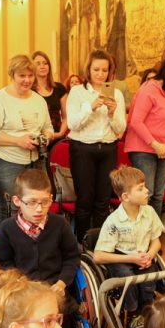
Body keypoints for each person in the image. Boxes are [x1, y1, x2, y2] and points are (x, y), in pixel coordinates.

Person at [0, 169, 81, 328]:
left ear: (51, 198)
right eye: (32, 202)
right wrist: (21, 284)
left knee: (62, 311)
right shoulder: (6, 229)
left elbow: (72, 257)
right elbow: (5, 263)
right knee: (23, 314)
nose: (39, 209)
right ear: (17, 201)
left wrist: (62, 283)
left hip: (55, 287)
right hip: (23, 288)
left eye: (45, 202)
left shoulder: (60, 224)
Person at [0, 55, 54, 224]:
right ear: (12, 75)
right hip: (6, 161)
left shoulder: (39, 100)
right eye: (22, 76)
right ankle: (9, 241)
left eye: (30, 75)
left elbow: (48, 128)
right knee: (12, 207)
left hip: (36, 160)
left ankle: (34, 239)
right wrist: (18, 141)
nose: (27, 80)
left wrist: (45, 137)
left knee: (37, 205)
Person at [93, 166, 162, 328]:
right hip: (120, 258)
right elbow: (98, 256)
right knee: (127, 278)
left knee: (149, 277)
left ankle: (145, 311)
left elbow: (156, 241)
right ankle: (132, 313)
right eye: (141, 188)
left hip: (143, 256)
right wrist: (132, 258)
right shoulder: (113, 221)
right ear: (125, 196)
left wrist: (150, 255)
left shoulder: (149, 212)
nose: (147, 191)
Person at [66, 50, 126, 243]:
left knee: (103, 201)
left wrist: (112, 113)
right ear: (88, 70)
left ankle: (100, 244)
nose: (101, 74)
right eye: (96, 70)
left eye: (105, 70)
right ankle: (82, 244)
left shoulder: (116, 93)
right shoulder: (77, 92)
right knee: (85, 200)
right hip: (82, 149)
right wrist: (90, 107)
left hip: (108, 148)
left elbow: (120, 129)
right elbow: (72, 124)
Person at [124, 54, 165, 217]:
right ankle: (141, 230)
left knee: (159, 195)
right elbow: (136, 121)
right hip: (143, 149)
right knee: (147, 193)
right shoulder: (149, 89)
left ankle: (154, 230)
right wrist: (154, 144)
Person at [32, 51, 68, 140]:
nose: (42, 66)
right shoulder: (30, 90)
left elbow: (66, 117)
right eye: (38, 64)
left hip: (58, 136)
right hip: (37, 137)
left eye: (45, 63)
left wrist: (60, 133)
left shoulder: (59, 88)